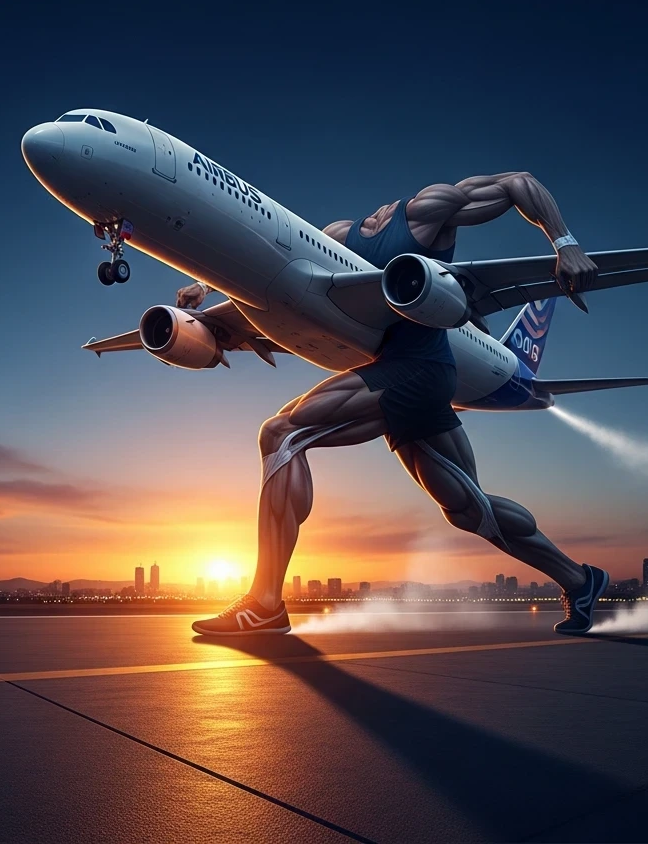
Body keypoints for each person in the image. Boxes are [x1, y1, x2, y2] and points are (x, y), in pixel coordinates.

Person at [183, 173, 608, 637]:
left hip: (420, 367)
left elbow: (518, 183)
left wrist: (564, 243)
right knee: (469, 509)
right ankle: (580, 579)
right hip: (405, 375)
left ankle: (265, 602)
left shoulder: (427, 211)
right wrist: (204, 292)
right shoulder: (333, 239)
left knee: (282, 433)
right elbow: (256, 256)